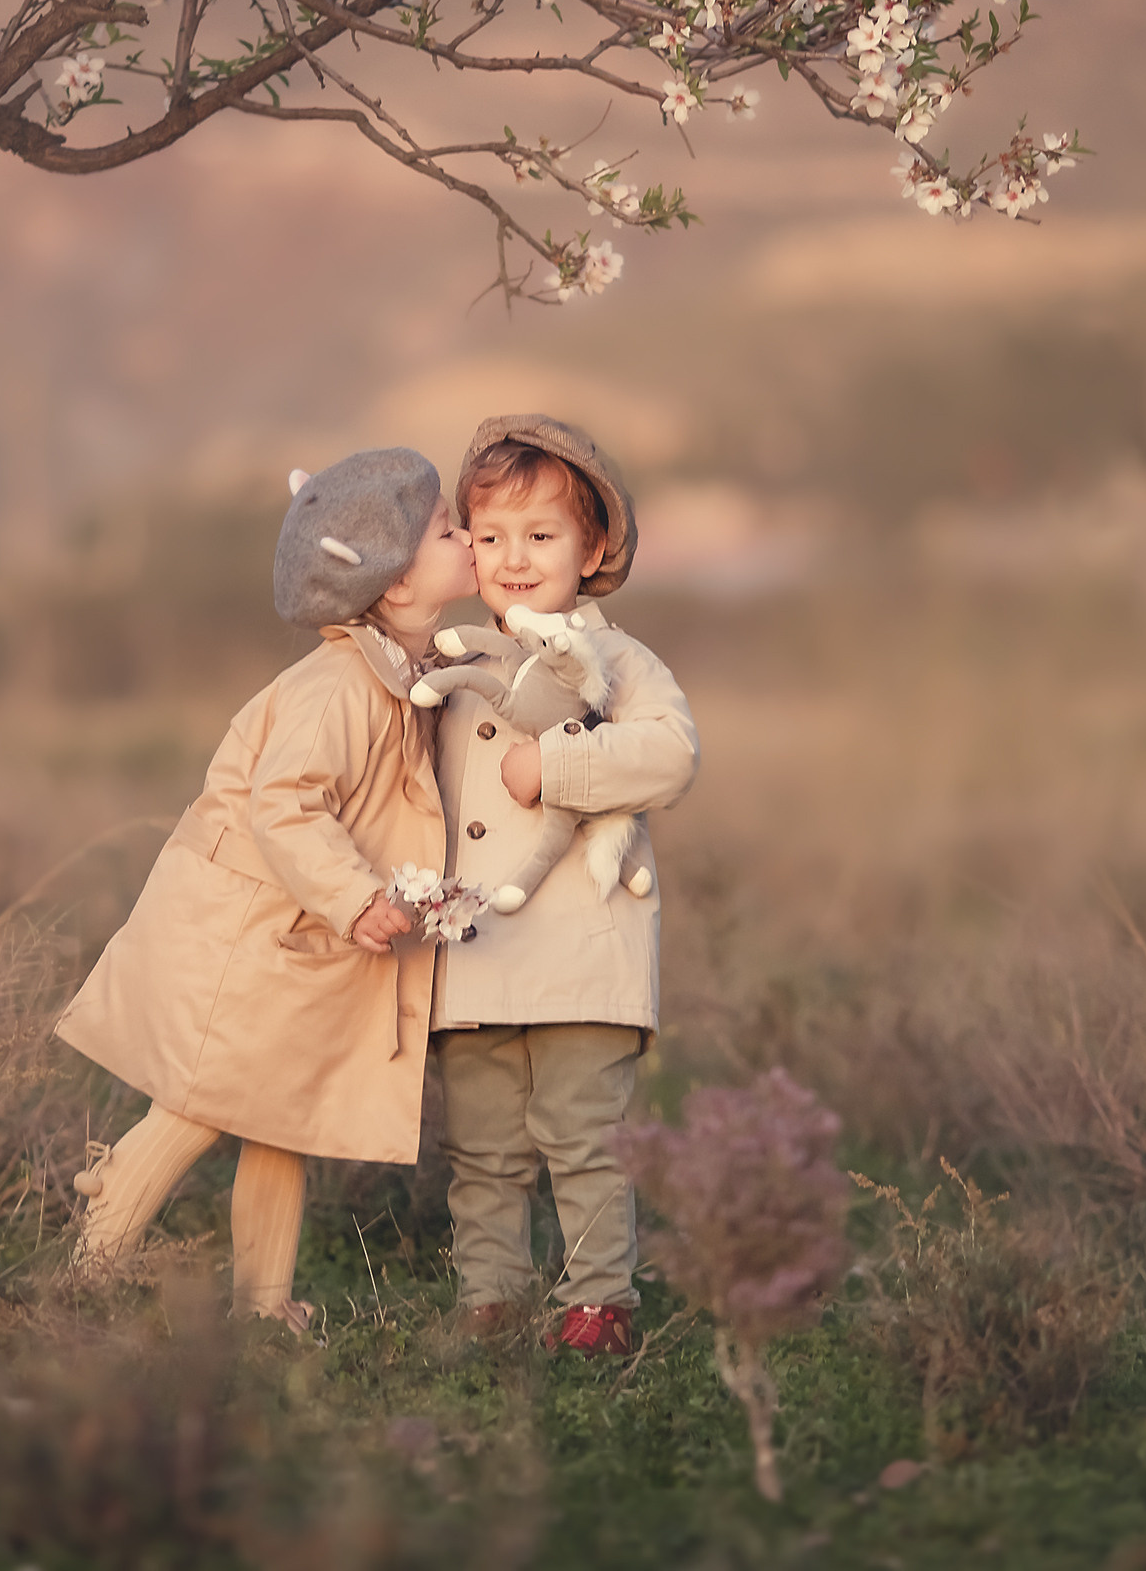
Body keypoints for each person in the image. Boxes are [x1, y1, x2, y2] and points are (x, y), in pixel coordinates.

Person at [54, 446, 479, 1326]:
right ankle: (99, 1247)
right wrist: (359, 896)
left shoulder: (395, 678)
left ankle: (262, 1305)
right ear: (395, 585)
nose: (468, 536)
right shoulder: (340, 687)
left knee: (285, 1119)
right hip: (257, 936)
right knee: (203, 1101)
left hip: (298, 942)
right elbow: (283, 805)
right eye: (448, 529)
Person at [430, 414, 700, 1356]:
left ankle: (598, 1304)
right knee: (485, 1150)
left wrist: (557, 769)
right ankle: (491, 1299)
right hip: (473, 954)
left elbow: (669, 754)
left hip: (585, 950)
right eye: (491, 534)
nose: (514, 558)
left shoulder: (614, 659)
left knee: (583, 1138)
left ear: (592, 549)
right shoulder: (452, 660)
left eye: (541, 535)